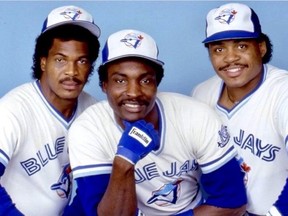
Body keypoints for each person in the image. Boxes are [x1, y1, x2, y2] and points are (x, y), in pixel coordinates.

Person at [67, 29, 247, 216]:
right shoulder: (88, 129)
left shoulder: (196, 116)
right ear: (104, 85)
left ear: (157, 84)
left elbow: (233, 202)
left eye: (145, 80)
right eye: (120, 80)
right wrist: (124, 161)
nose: (134, 92)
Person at [0, 5, 101, 216]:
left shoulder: (93, 111)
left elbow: (93, 188)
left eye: (81, 61)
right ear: (43, 62)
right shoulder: (13, 110)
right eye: (60, 60)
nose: (71, 72)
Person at [191, 2, 288, 216]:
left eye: (241, 46)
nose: (230, 58)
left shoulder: (283, 91)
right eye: (219, 49)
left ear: (261, 47)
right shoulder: (201, 93)